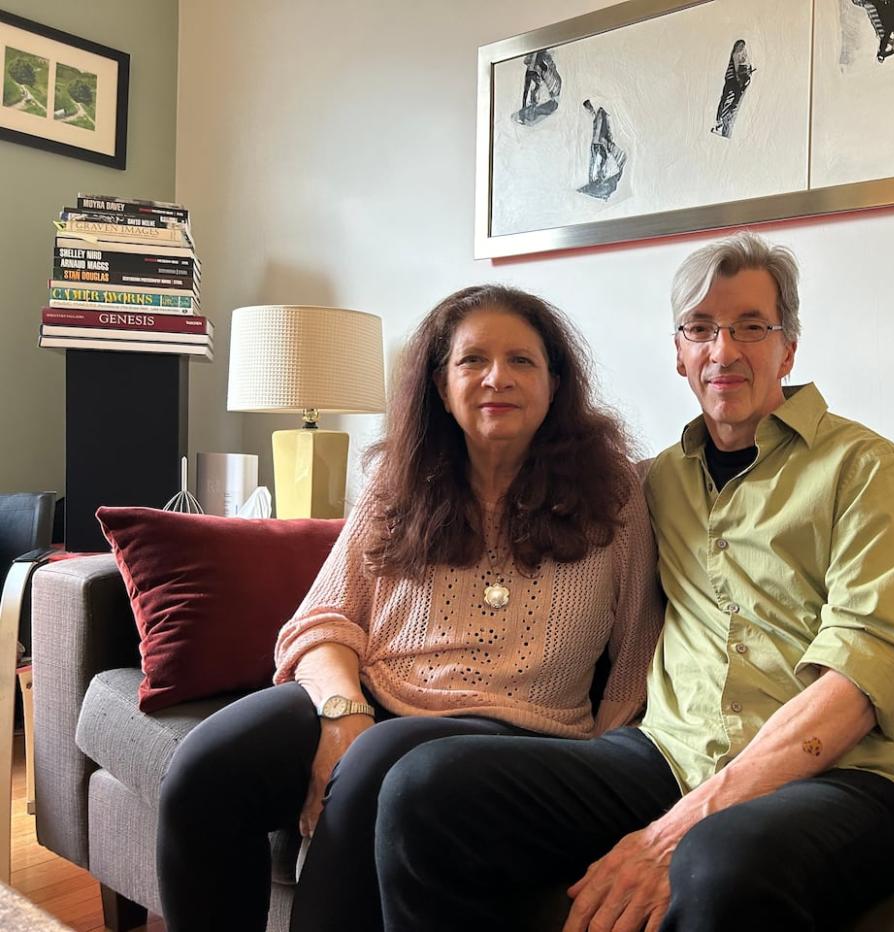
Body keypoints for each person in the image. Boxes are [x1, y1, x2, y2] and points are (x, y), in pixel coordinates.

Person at [374, 232, 894, 931]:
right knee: (425, 789)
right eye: (701, 329)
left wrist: (676, 829)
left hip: (845, 778)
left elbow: (856, 686)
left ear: (787, 348)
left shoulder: (866, 470)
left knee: (718, 864)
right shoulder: (653, 483)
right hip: (667, 756)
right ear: (679, 353)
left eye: (750, 328)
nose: (723, 351)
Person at [155, 285, 663, 932]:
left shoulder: (613, 495)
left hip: (517, 731)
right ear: (440, 381)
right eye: (472, 360)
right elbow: (324, 621)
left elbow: (638, 658)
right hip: (376, 692)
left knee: (372, 764)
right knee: (204, 771)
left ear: (557, 382)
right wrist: (343, 713)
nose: (496, 378)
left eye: (522, 361)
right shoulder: (399, 480)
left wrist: (597, 773)